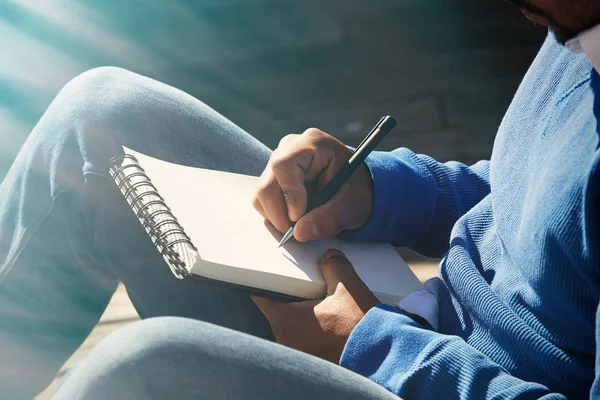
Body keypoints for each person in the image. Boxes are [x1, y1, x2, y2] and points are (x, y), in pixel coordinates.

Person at [1, 1, 599, 398]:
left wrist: (374, 347)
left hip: (416, 374)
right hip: (407, 328)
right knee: (101, 114)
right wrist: (373, 189)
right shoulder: (575, 22)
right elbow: (529, 199)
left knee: (137, 370)